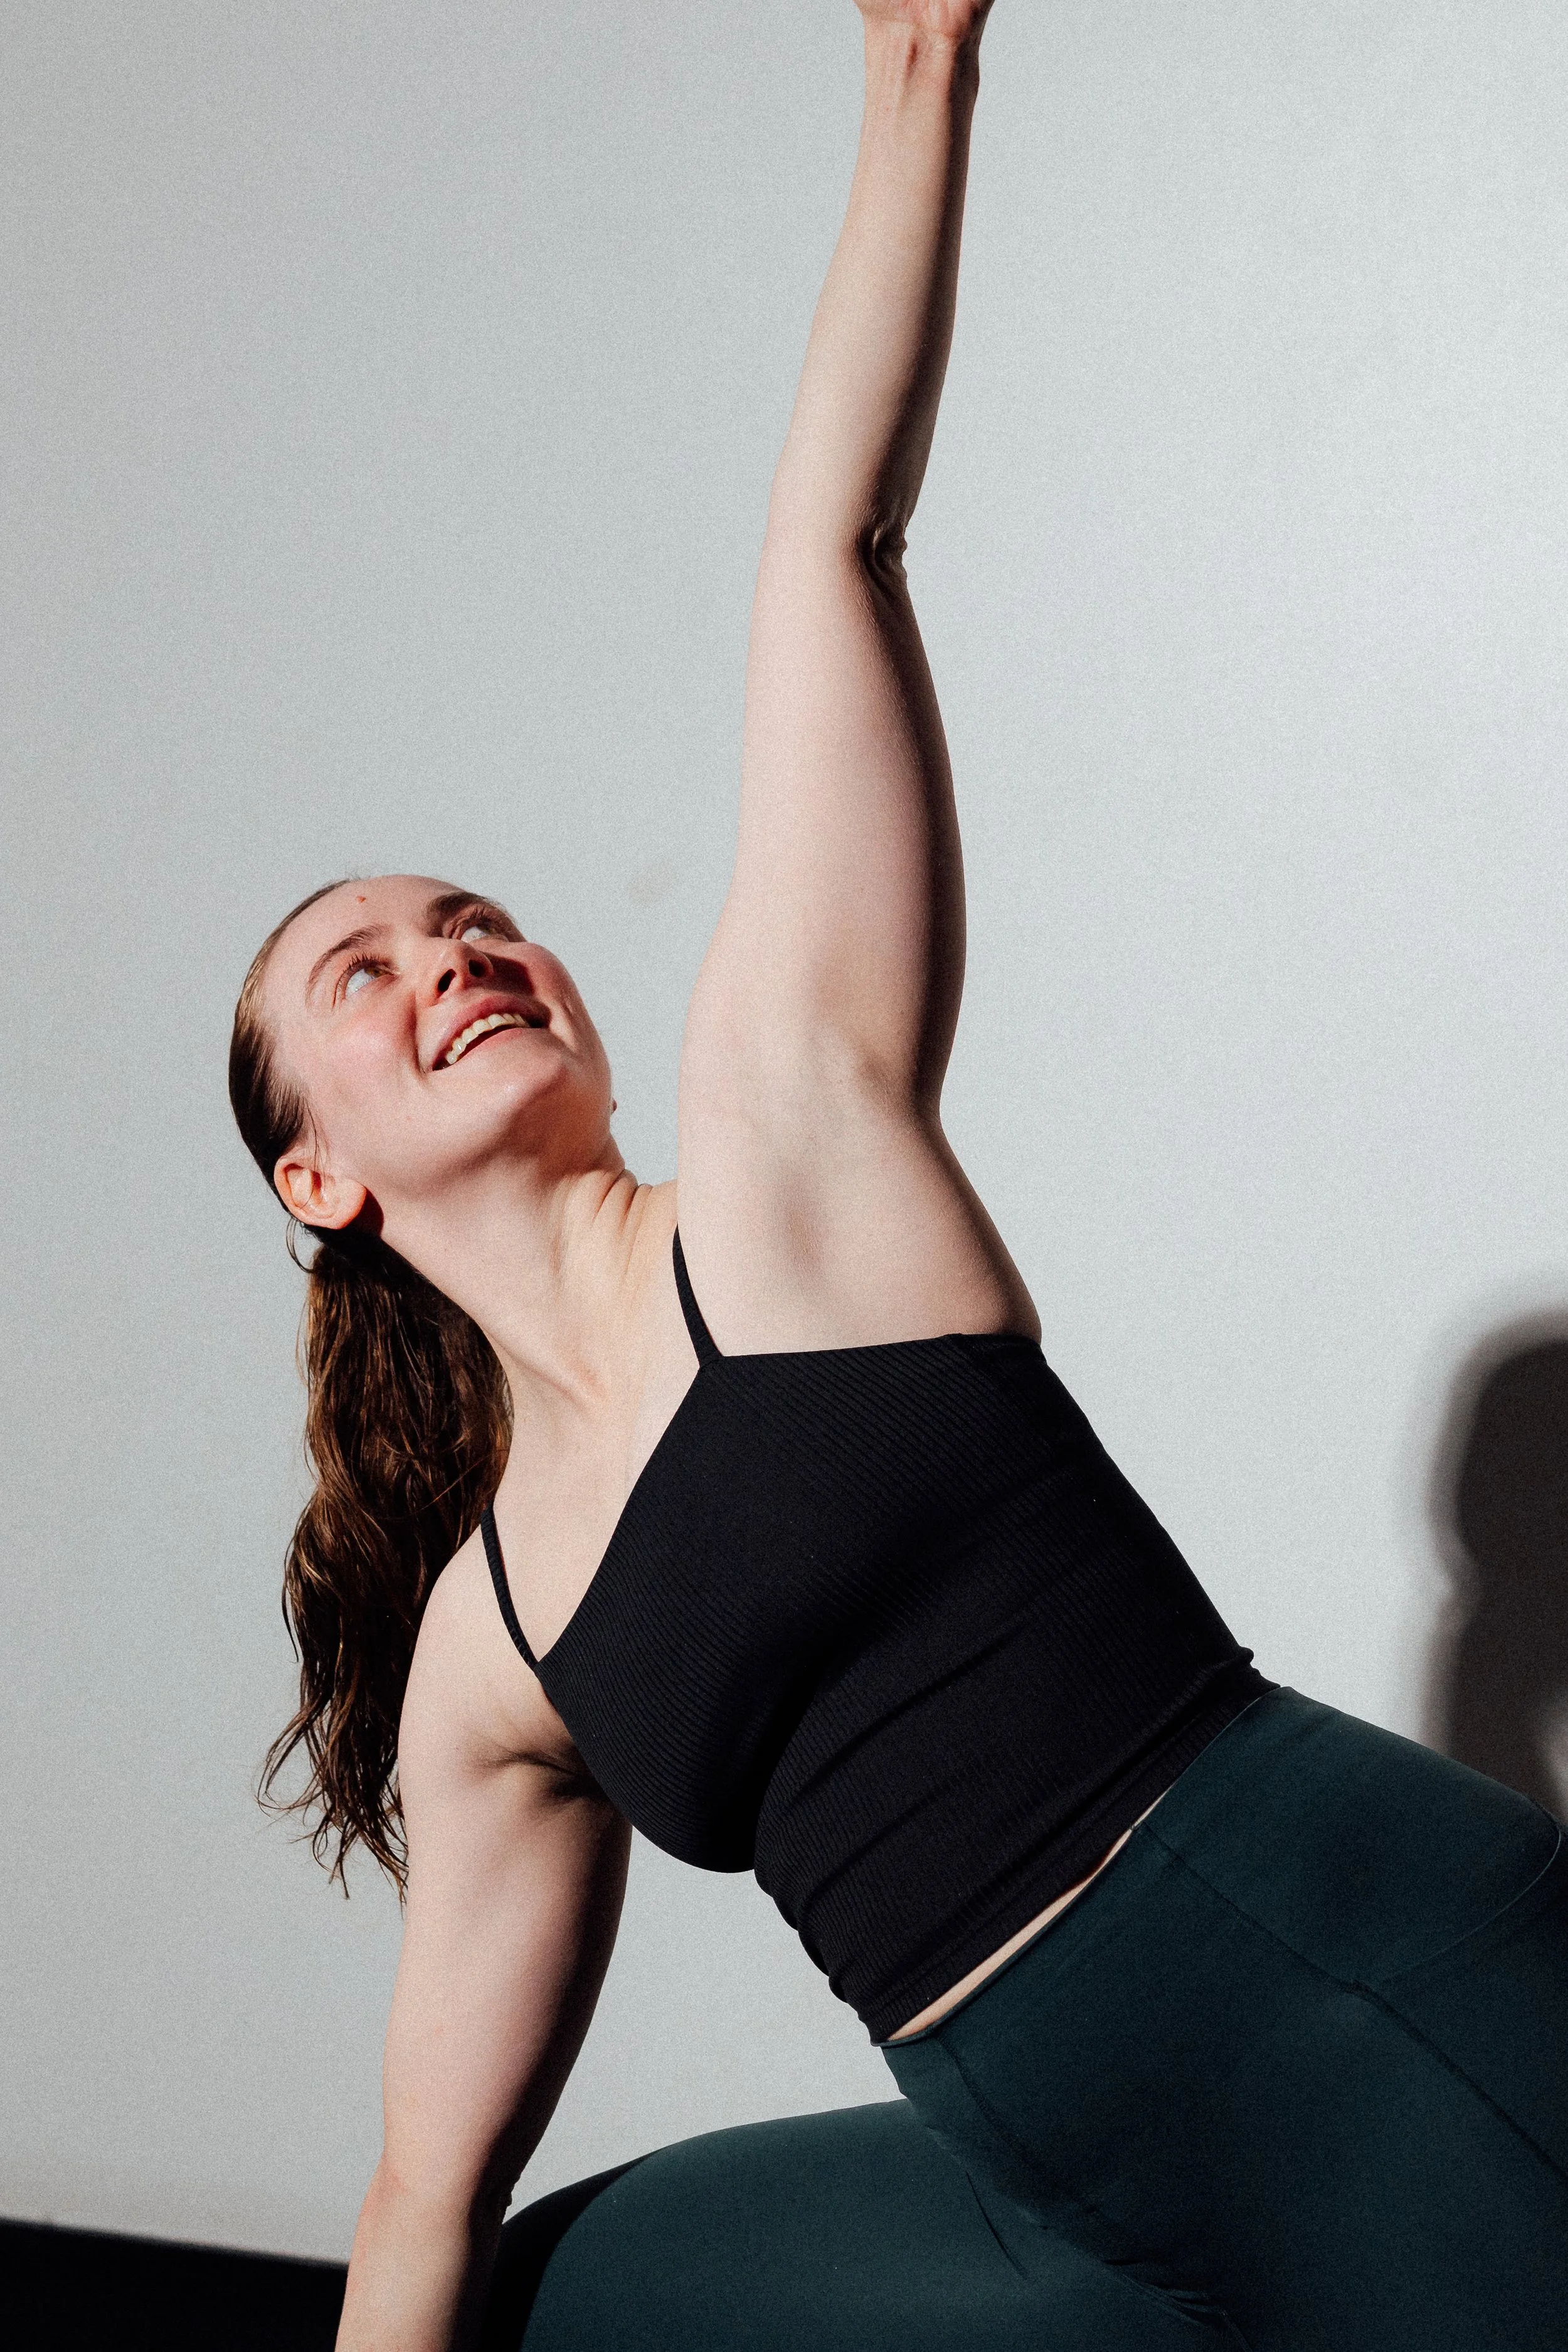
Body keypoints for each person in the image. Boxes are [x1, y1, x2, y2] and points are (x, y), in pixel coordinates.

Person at [228, 4, 1568, 2347]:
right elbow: (422, 2175)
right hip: (1053, 2196)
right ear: (314, 1175)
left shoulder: (784, 1151)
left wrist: (917, 67)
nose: (451, 956)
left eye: (476, 922)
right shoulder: (491, 1643)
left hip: (1371, 2012)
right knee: (554, 2301)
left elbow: (830, 537)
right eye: (364, 967)